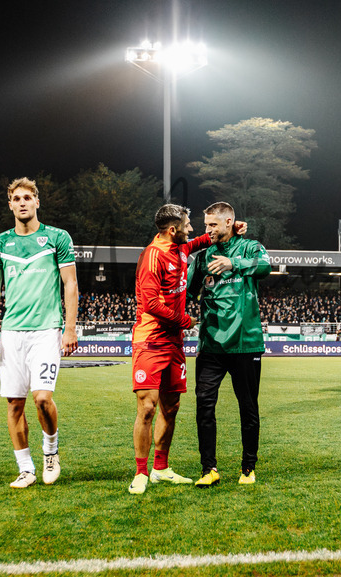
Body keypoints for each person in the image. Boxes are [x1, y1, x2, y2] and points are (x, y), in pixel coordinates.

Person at [0, 177, 78, 489]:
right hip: (12, 333)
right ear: (10, 204)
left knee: (42, 399)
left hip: (46, 330)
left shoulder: (57, 238)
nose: (22, 202)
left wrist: (69, 328)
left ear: (38, 202)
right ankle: (26, 468)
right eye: (17, 198)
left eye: (28, 197)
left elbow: (70, 284)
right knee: (14, 404)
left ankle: (51, 453)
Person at [127, 205, 216, 494]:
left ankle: (161, 468)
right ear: (172, 230)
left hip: (174, 343)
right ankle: (141, 472)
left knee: (172, 406)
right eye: (188, 225)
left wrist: (224, 231)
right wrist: (186, 320)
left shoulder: (179, 248)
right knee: (148, 408)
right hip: (151, 340)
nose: (191, 229)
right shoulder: (152, 257)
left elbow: (197, 243)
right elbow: (152, 304)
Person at [188, 202, 271, 486]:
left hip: (245, 343)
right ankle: (208, 469)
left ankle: (248, 467)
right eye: (205, 224)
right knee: (204, 405)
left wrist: (233, 263)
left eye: (213, 224)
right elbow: (188, 290)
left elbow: (266, 266)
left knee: (248, 407)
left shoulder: (249, 247)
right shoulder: (202, 256)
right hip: (210, 346)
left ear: (229, 222)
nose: (207, 230)